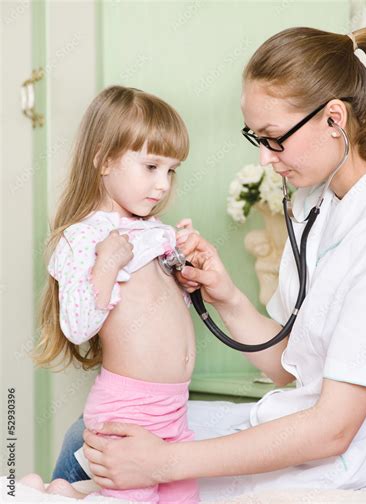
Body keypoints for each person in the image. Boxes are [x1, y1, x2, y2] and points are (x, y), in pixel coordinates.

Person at [56, 26, 366, 500]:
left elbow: (333, 429)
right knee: (90, 438)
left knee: (99, 450)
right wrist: (226, 295)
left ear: (334, 120)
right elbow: (293, 369)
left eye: (273, 137)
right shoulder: (320, 203)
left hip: (344, 464)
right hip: (297, 424)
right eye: (256, 138)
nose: (265, 158)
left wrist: (162, 462)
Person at [23, 86, 201, 503]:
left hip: (173, 406)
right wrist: (107, 263)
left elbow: (158, 304)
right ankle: (45, 494)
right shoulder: (81, 238)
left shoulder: (154, 230)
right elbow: (78, 324)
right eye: (152, 166)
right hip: (129, 409)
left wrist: (184, 273)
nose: (162, 185)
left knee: (184, 499)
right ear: (104, 159)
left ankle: (61, 491)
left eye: (171, 171)